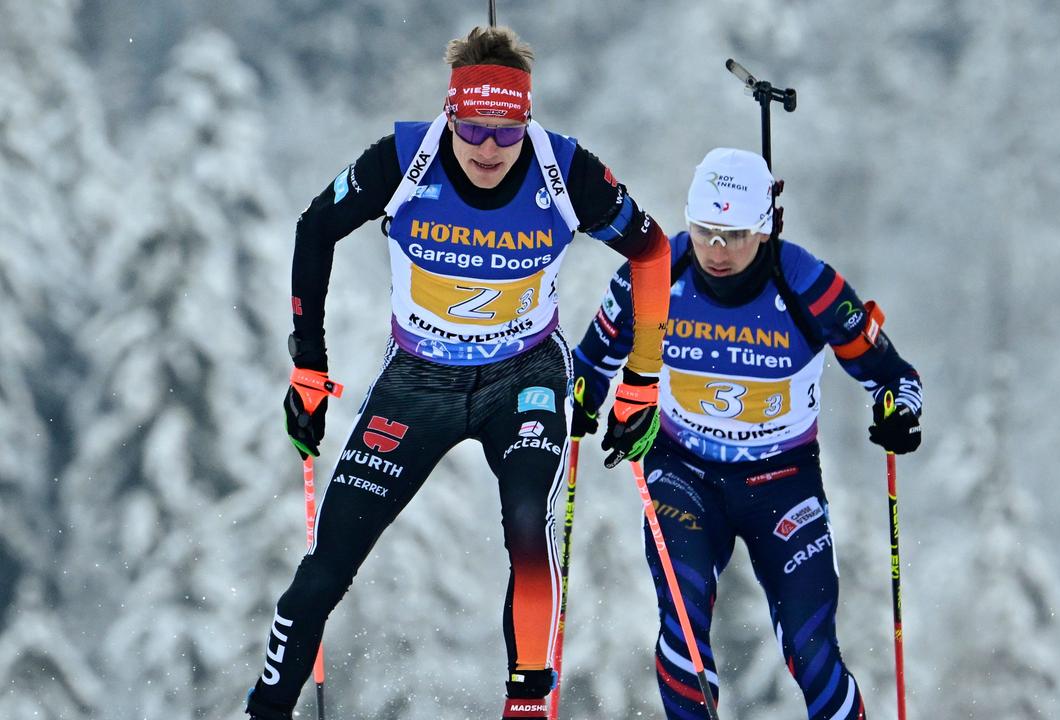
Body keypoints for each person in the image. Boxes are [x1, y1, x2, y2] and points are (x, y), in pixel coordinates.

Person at [245, 26, 671, 720]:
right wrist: (308, 370)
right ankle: (265, 708)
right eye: (472, 128)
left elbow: (652, 253)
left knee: (527, 524)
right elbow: (314, 227)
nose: (488, 149)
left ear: (526, 121)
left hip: (524, 375)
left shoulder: (566, 171)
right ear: (451, 114)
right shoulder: (404, 160)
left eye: (507, 132)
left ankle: (526, 704)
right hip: (418, 382)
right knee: (326, 567)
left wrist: (642, 382)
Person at [571, 148, 923, 719]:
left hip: (781, 484)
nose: (716, 249)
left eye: (733, 234)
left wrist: (898, 411)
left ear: (764, 227)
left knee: (811, 652)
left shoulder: (808, 282)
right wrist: (583, 403)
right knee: (682, 627)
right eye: (705, 230)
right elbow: (589, 363)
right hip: (683, 473)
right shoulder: (657, 271)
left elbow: (894, 377)